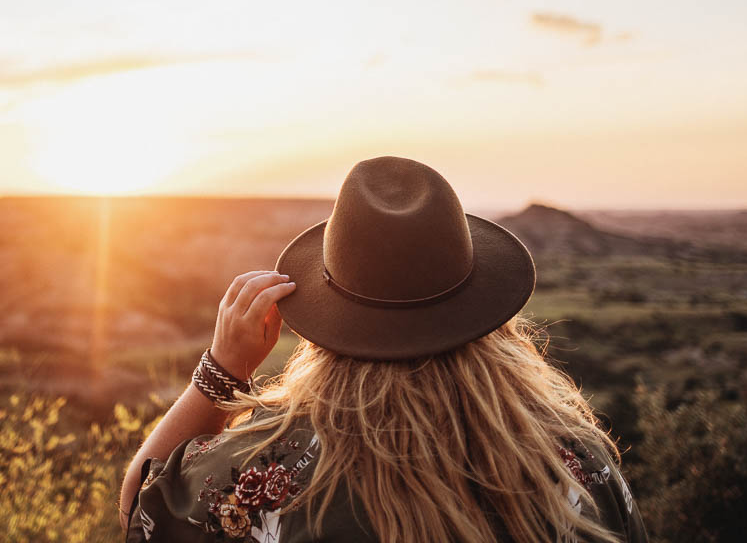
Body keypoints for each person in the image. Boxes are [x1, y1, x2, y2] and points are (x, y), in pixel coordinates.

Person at [118, 156, 647, 542]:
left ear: (330, 315)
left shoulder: (260, 477)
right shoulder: (579, 464)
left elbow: (138, 514)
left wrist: (221, 372)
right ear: (486, 315)